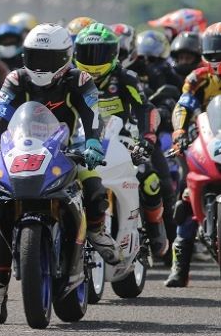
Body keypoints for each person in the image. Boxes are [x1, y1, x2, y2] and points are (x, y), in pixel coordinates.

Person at [0, 23, 120, 325]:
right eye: (36, 56)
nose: (41, 65)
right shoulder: (15, 78)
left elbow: (92, 113)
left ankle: (96, 230)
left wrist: (92, 142)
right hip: (21, 150)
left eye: (49, 58)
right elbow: (0, 114)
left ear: (66, 56)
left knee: (93, 186)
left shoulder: (80, 79)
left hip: (68, 147)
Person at [73, 23, 168, 258]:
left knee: (150, 178)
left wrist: (146, 138)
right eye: (87, 54)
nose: (93, 61)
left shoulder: (126, 78)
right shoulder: (70, 79)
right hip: (80, 140)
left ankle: (156, 229)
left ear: (114, 55)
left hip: (122, 138)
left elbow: (146, 109)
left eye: (100, 54)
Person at [166, 22, 221, 287]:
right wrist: (178, 132)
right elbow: (183, 106)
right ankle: (180, 267)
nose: (217, 55)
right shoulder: (198, 78)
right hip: (205, 141)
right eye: (213, 49)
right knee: (184, 198)